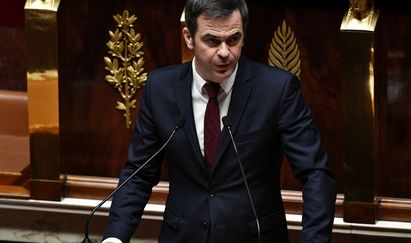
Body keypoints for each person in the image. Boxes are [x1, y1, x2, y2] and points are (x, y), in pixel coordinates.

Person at [102, 0, 336, 242]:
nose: (225, 52)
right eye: (212, 41)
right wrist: (115, 236)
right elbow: (138, 173)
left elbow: (316, 174)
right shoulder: (160, 88)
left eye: (233, 39)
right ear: (189, 37)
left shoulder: (277, 90)